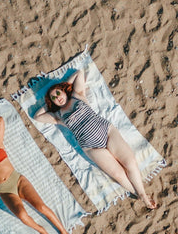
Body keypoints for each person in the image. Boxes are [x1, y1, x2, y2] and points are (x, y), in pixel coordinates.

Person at [33, 69, 159, 209]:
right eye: (54, 98)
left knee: (130, 162)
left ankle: (142, 194)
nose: (58, 98)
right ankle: (141, 195)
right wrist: (49, 103)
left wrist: (65, 86)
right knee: (118, 174)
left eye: (58, 93)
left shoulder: (77, 95)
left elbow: (79, 73)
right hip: (92, 147)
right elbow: (37, 116)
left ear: (63, 90)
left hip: (107, 132)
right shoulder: (58, 115)